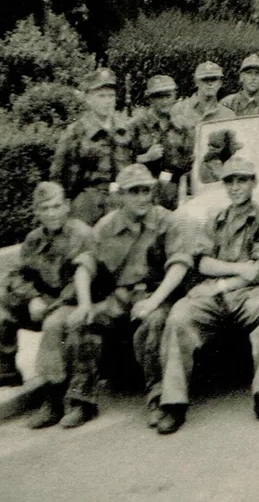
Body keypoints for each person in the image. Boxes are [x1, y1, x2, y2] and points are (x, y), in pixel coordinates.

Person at [156, 156, 259, 433]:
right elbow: (203, 262)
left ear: (253, 183)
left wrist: (221, 283)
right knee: (179, 315)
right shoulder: (216, 219)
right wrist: (237, 269)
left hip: (248, 293)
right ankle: (173, 403)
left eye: (242, 180)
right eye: (230, 181)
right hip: (216, 294)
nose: (235, 187)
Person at [67, 164, 194, 428]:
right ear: (121, 196)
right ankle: (82, 399)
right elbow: (85, 264)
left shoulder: (165, 221)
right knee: (84, 322)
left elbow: (179, 264)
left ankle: (159, 398)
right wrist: (84, 304)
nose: (142, 197)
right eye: (134, 192)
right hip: (121, 298)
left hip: (156, 295)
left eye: (146, 190)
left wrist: (153, 301)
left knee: (156, 323)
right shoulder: (106, 226)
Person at [0, 182, 94, 394]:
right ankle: (7, 367)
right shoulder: (34, 239)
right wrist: (32, 298)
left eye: (56, 206)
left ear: (67, 206)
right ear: (36, 211)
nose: (51, 214)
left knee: (55, 322)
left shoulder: (81, 235)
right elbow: (16, 275)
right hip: (43, 302)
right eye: (44, 209)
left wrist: (52, 307)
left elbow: (83, 282)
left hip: (72, 304)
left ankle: (56, 388)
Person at [49, 68, 133, 225]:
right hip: (88, 206)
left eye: (111, 96)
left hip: (122, 203)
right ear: (88, 98)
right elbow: (58, 177)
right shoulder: (75, 132)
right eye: (101, 96)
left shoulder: (125, 129)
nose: (107, 101)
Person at [130, 74, 189, 210]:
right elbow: (122, 163)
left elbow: (188, 165)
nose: (164, 101)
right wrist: (145, 158)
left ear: (175, 96)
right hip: (142, 196)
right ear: (150, 98)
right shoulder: (136, 126)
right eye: (159, 97)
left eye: (168, 96)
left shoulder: (182, 127)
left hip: (172, 196)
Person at [170, 61, 237, 128]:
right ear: (196, 82)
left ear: (220, 83)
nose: (210, 84)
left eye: (214, 79)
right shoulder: (179, 109)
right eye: (205, 79)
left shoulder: (228, 115)